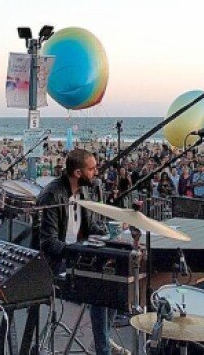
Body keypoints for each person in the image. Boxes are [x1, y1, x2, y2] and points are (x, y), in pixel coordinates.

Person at [37, 149, 124, 355]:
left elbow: (92, 225)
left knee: (118, 282)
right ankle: (103, 350)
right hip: (58, 262)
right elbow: (48, 243)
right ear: (77, 173)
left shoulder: (84, 191)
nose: (96, 172)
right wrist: (77, 253)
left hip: (79, 256)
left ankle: (103, 338)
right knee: (100, 288)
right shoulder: (52, 195)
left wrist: (111, 235)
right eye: (92, 169)